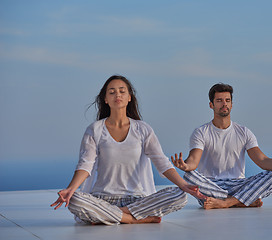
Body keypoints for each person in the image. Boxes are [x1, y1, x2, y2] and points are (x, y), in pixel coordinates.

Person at [51, 75, 205, 225]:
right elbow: (86, 164)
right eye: (111, 92)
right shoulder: (95, 130)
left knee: (179, 195)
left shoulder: (143, 129)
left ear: (129, 97)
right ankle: (133, 218)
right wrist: (70, 189)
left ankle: (110, 215)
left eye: (122, 91)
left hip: (136, 199)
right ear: (105, 99)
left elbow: (162, 162)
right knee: (75, 200)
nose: (117, 94)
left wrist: (184, 185)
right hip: (102, 198)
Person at [171, 83, 272, 210]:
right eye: (219, 100)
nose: (224, 104)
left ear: (232, 104)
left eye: (227, 100)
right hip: (211, 186)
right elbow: (193, 160)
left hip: (238, 185)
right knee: (189, 176)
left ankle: (227, 202)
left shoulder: (244, 132)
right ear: (211, 105)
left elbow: (262, 160)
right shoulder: (201, 132)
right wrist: (185, 166)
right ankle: (242, 201)